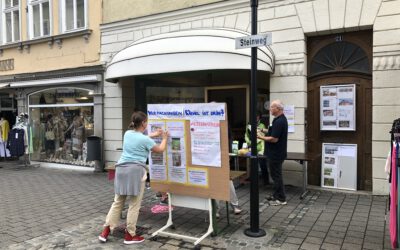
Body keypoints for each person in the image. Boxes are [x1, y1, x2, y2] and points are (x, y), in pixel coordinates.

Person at [99, 111, 169, 244]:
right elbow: (160, 149)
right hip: (135, 172)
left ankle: (105, 231)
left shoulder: (128, 134)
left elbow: (141, 138)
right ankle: (130, 235)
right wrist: (164, 138)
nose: (147, 124)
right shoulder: (145, 139)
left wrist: (154, 134)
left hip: (121, 170)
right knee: (134, 204)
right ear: (143, 123)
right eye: (146, 122)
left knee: (118, 202)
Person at [258, 100, 288, 205]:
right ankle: (276, 195)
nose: (270, 109)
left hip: (276, 154)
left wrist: (260, 137)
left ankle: (281, 198)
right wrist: (263, 131)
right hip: (274, 153)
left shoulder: (280, 121)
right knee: (275, 175)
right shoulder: (277, 119)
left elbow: (274, 139)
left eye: (272, 107)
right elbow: (272, 132)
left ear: (278, 109)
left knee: (276, 176)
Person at [244, 110, 269, 185]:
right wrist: (249, 142)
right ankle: (253, 179)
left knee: (262, 164)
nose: (256, 118)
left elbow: (261, 137)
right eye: (254, 117)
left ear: (259, 118)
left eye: (257, 117)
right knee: (252, 164)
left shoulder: (262, 126)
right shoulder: (249, 125)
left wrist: (254, 142)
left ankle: (266, 181)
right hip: (252, 147)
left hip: (260, 148)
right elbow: (246, 135)